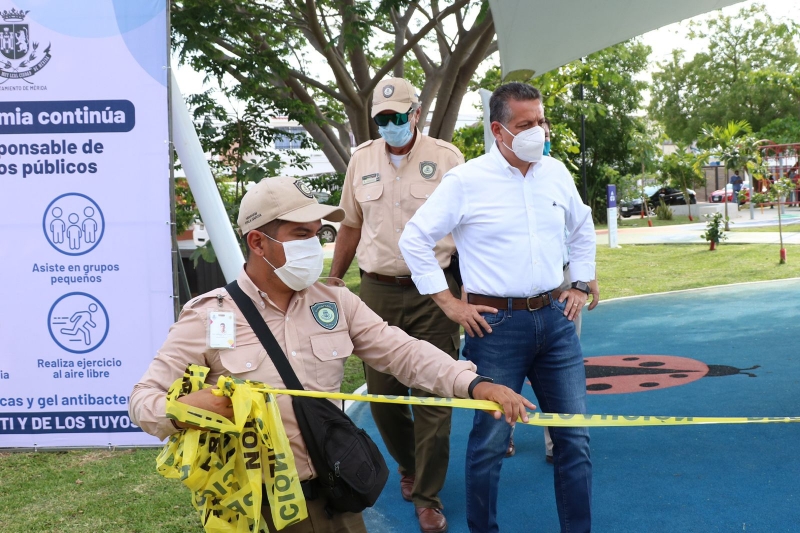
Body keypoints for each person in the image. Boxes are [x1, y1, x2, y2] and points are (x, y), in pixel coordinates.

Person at [129, 176, 534, 533]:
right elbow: (142, 401)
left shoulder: (336, 301)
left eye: (318, 234)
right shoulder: (208, 316)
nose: (315, 245)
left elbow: (404, 352)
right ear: (258, 242)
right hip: (260, 510)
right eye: (301, 233)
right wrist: (185, 408)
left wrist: (476, 384)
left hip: (337, 494)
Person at [399, 82, 596, 533]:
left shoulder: (555, 173)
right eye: (526, 125)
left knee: (575, 439)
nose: (539, 132)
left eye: (541, 121)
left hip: (556, 319)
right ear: (498, 130)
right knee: (489, 443)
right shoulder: (467, 181)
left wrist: (580, 284)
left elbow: (582, 229)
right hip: (495, 327)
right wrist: (447, 302)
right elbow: (414, 238)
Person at [330, 77, 465, 533]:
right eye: (382, 119)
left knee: (434, 396)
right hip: (377, 291)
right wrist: (332, 280)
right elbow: (349, 226)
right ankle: (409, 464)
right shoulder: (361, 159)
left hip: (435, 293)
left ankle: (428, 495)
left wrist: (464, 294)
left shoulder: (447, 159)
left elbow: (467, 232)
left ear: (417, 114)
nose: (389, 125)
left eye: (397, 117)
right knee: (385, 396)